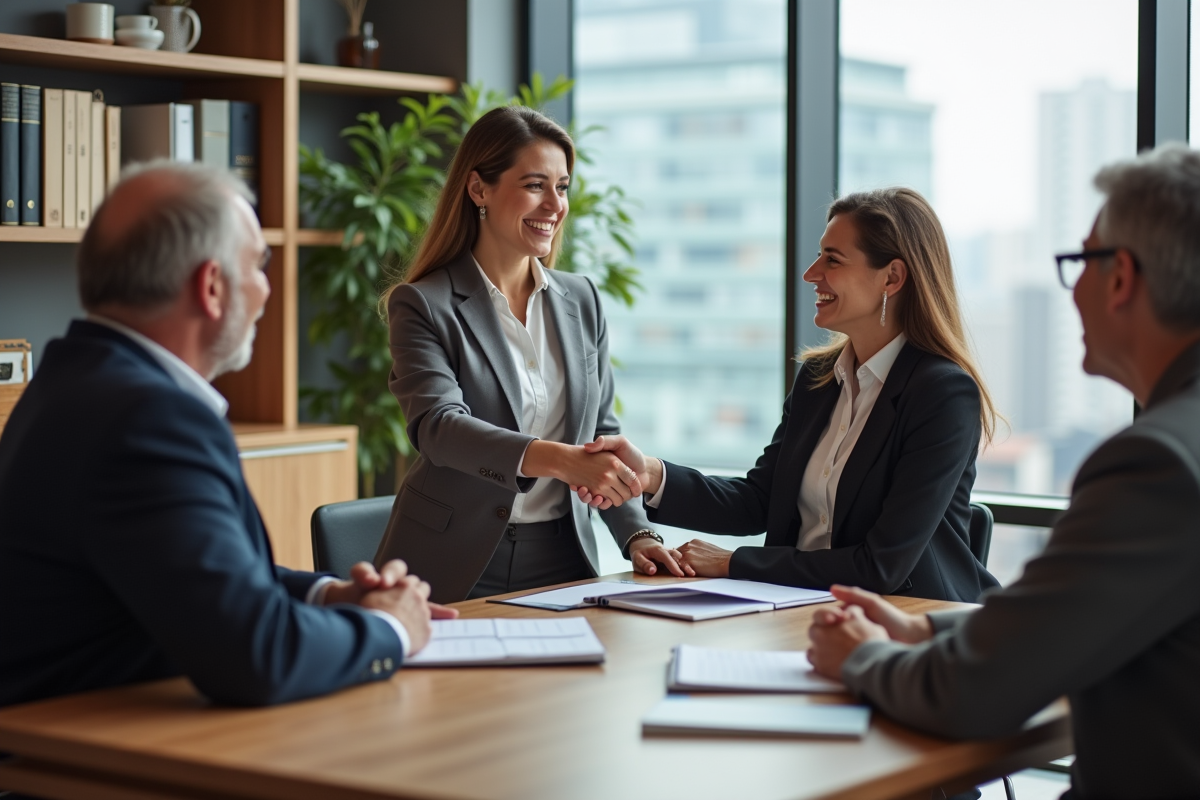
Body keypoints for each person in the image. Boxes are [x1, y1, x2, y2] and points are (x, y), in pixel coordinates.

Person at [806, 143, 1200, 798]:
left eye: (1080, 263)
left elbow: (973, 694)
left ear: (1122, 278)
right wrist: (927, 626)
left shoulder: (1156, 465)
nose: (1073, 289)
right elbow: (1071, 618)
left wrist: (862, 658)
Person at [0, 162, 455, 709]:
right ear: (212, 287)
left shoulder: (75, 380)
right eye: (259, 265)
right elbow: (257, 656)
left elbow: (191, 574)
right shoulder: (148, 418)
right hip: (90, 766)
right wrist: (392, 630)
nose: (267, 288)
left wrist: (328, 594)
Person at [577, 188, 999, 602]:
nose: (811, 273)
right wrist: (651, 475)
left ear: (892, 277)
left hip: (911, 621)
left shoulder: (942, 394)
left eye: (832, 260)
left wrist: (732, 563)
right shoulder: (819, 379)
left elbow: (880, 567)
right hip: (797, 607)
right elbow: (760, 500)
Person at [372, 106, 684, 604]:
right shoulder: (424, 304)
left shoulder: (581, 299)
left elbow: (600, 434)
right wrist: (559, 461)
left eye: (561, 187)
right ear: (479, 189)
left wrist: (636, 533)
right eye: (535, 185)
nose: (554, 205)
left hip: (563, 555)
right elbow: (438, 427)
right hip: (453, 557)